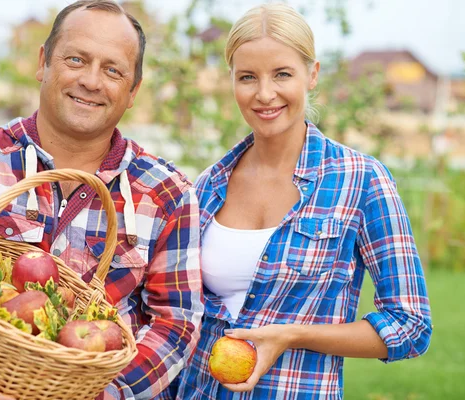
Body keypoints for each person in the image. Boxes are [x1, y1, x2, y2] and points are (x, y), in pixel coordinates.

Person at [0, 1, 203, 399]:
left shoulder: (166, 194)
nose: (92, 81)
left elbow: (176, 321)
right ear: (43, 62)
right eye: (76, 59)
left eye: (113, 70)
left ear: (133, 90)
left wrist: (98, 394)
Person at [173, 3, 432, 399]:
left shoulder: (362, 181)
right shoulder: (208, 186)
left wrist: (292, 335)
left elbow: (411, 326)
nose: (264, 94)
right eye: (247, 77)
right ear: (231, 81)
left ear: (312, 75)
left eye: (282, 74)